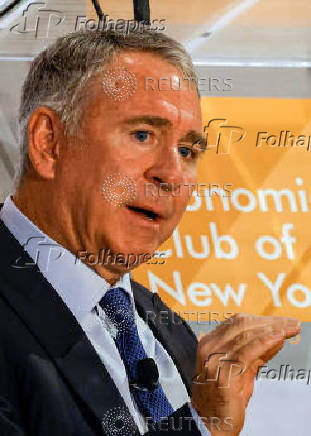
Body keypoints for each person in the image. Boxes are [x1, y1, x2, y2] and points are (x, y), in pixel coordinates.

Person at [0, 29, 300, 436]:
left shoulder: (168, 330)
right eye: (142, 135)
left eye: (187, 151)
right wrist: (202, 426)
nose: (173, 175)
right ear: (49, 143)